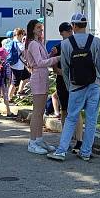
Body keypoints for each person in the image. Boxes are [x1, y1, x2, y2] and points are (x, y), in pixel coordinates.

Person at [48, 13, 100, 162]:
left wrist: (69, 85)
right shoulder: (96, 42)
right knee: (91, 119)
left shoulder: (67, 44)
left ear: (73, 26)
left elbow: (66, 68)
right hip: (94, 85)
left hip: (75, 86)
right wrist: (99, 82)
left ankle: (61, 151)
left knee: (71, 118)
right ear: (85, 25)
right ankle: (85, 152)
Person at [22, 19, 59, 155]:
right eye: (38, 28)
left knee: (40, 112)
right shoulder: (32, 44)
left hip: (42, 76)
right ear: (32, 29)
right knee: (37, 112)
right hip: (38, 77)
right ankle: (32, 141)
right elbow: (40, 62)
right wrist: (57, 58)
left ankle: (39, 139)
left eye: (41, 28)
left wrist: (51, 55)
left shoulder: (38, 43)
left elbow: (43, 60)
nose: (41, 30)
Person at [51, 22, 84, 153]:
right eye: (67, 31)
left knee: (77, 110)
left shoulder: (78, 45)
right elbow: (55, 69)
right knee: (64, 110)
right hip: (63, 83)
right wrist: (65, 71)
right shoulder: (58, 47)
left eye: (71, 31)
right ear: (61, 33)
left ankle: (80, 140)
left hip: (75, 82)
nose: (70, 33)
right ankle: (67, 138)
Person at [8, 27, 29, 102]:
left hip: (18, 66)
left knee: (26, 77)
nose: (23, 36)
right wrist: (24, 42)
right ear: (19, 35)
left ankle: (20, 91)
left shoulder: (12, 42)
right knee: (14, 83)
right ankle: (9, 98)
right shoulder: (18, 43)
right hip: (17, 66)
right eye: (23, 34)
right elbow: (24, 49)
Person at [0, 47, 12, 116]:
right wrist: (9, 81)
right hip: (4, 81)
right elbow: (8, 74)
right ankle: (8, 111)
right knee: (5, 96)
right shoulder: (6, 63)